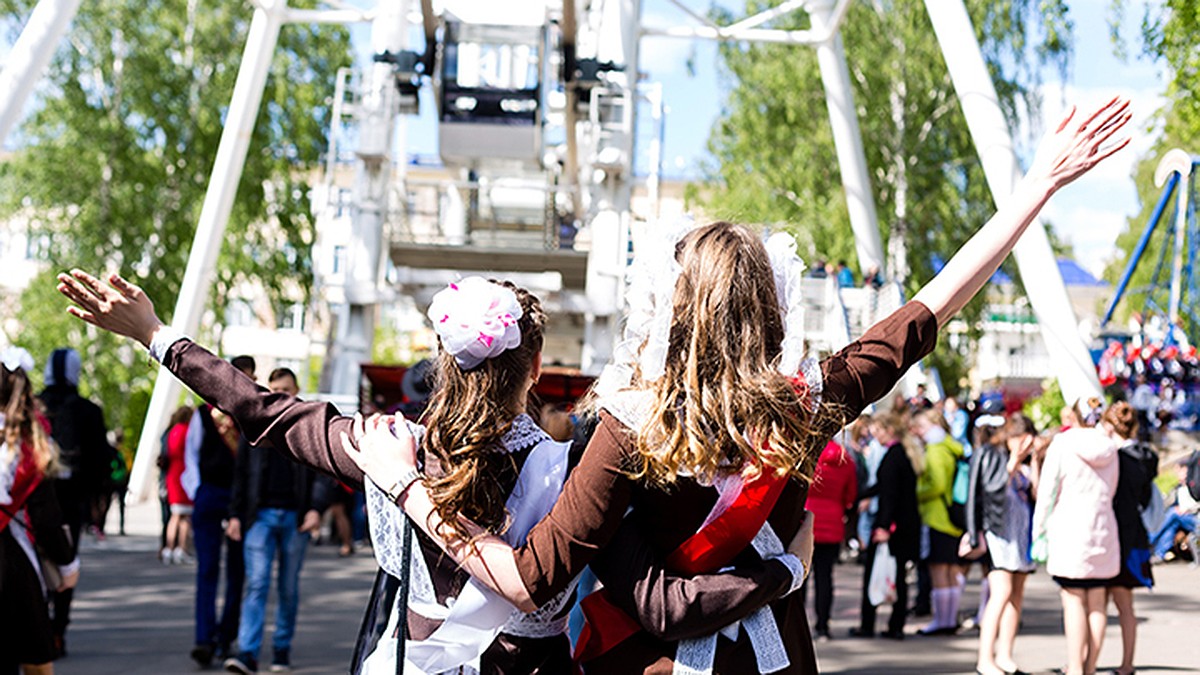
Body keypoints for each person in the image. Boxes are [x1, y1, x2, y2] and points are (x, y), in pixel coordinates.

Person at [60, 95, 1133, 673]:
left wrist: (162, 336)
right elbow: (925, 314)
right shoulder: (800, 405)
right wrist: (1034, 185)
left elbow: (537, 576)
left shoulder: (616, 433)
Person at [56, 273, 814, 674]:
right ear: (537, 369)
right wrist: (781, 571)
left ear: (442, 364)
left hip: (402, 660)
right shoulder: (577, 465)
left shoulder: (385, 444)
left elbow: (261, 409)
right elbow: (655, 584)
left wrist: (157, 335)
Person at [223, 368, 331, 674]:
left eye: (284, 388)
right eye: (273, 389)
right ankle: (248, 653)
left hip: (296, 517)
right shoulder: (254, 425)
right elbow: (241, 475)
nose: (278, 394)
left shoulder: (309, 423)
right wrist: (234, 514)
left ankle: (281, 647)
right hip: (260, 516)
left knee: (287, 587)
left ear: (296, 390)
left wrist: (316, 509)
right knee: (256, 583)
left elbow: (323, 471)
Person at [0, 348, 80, 675]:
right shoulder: (26, 446)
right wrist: (67, 563)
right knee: (32, 659)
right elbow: (45, 514)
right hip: (9, 567)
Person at [1032, 406, 1122, 675]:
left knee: (1073, 601)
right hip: (1102, 530)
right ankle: (1091, 666)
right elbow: (1113, 488)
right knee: (1097, 602)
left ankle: (1075, 667)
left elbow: (1047, 491)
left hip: (1069, 531)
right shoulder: (1109, 446)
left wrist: (1039, 531)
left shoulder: (1062, 443)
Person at [37, 347, 108, 657]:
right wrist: (98, 502)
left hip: (35, 498)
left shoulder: (33, 406)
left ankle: (37, 624)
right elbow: (100, 462)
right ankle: (58, 630)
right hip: (72, 501)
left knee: (36, 562)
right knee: (66, 562)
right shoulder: (88, 410)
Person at [184, 360, 252, 668]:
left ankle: (225, 637)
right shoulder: (203, 413)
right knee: (208, 569)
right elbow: (191, 455)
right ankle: (204, 638)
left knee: (237, 572)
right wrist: (197, 492)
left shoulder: (251, 414)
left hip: (238, 500)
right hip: (211, 494)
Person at [961, 414, 1040, 675]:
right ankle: (985, 658)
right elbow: (987, 491)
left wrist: (1035, 460)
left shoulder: (1026, 463)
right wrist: (973, 533)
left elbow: (1035, 494)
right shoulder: (991, 454)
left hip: (1020, 534)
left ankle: (1005, 654)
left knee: (1016, 595)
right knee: (1001, 593)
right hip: (997, 533)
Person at [852, 413, 921, 639]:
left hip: (892, 527)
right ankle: (896, 624)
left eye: (879, 430)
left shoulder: (892, 457)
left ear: (889, 430)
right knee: (898, 575)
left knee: (876, 574)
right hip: (904, 526)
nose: (875, 434)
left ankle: (868, 623)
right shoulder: (902, 454)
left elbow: (889, 495)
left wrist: (883, 527)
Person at [1103, 402, 1158, 675]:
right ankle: (1127, 664)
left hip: (1108, 536)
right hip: (1134, 536)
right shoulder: (1146, 457)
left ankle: (1084, 662)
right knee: (1126, 606)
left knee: (1096, 605)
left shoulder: (1109, 457)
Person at [911, 408, 965, 636]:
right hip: (952, 515)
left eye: (921, 427)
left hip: (936, 516)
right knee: (951, 570)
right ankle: (949, 619)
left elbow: (937, 485)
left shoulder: (935, 450)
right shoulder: (951, 447)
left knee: (938, 571)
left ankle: (942, 621)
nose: (919, 432)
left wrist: (917, 491)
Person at [801, 438, 857, 641]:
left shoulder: (806, 455)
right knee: (825, 577)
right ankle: (823, 625)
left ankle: (799, 628)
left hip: (805, 523)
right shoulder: (846, 459)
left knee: (800, 578)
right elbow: (850, 495)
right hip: (832, 524)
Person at [1149, 459, 1199, 561]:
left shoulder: (1195, 487)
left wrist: (1185, 509)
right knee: (1172, 523)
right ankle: (1160, 553)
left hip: (1194, 517)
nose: (1179, 474)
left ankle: (1150, 539)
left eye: (1181, 471)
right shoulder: (1178, 489)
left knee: (1173, 514)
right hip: (1182, 519)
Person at [163, 405, 195, 564]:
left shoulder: (172, 431)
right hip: (184, 474)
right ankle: (181, 548)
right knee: (186, 518)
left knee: (175, 515)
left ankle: (168, 548)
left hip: (173, 475)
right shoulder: (187, 430)